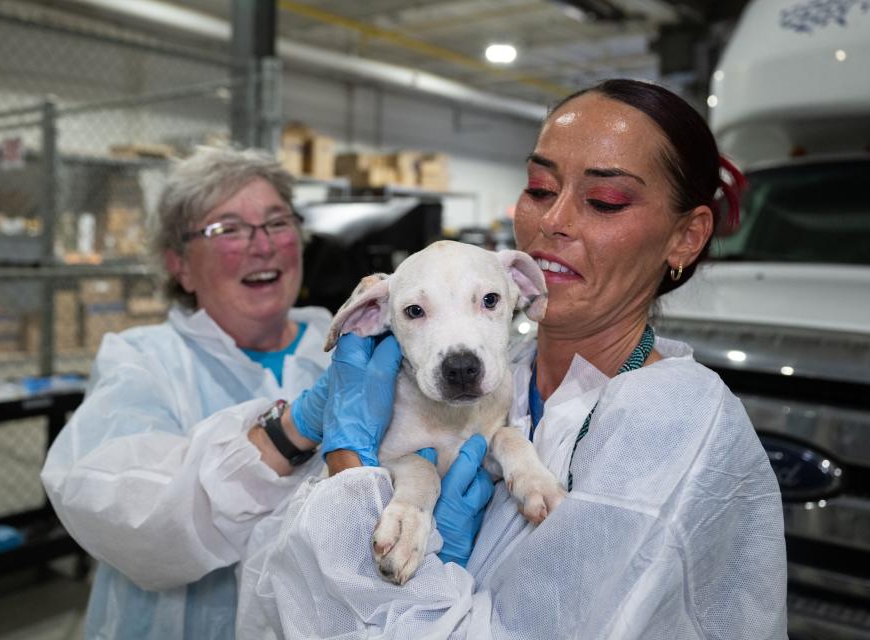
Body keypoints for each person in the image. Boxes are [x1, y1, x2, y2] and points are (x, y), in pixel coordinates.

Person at [235, 79, 788, 639]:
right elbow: (268, 574)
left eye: (605, 201)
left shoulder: (674, 424)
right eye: (541, 188)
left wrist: (351, 475)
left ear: (686, 237)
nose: (553, 221)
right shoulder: (510, 373)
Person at [41, 146, 336, 639]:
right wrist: (285, 436)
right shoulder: (143, 362)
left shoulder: (343, 348)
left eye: (276, 222)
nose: (262, 246)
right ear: (179, 264)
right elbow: (129, 516)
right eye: (228, 229)